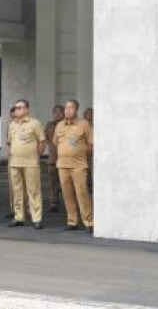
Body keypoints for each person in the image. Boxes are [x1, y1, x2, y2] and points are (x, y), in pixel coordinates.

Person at [55, 100, 94, 233]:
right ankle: (72, 221)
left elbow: (91, 143)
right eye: (66, 108)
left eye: (71, 108)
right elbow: (56, 143)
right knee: (67, 194)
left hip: (78, 166)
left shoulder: (84, 124)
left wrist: (81, 152)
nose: (68, 110)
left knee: (82, 193)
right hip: (62, 166)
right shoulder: (59, 125)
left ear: (76, 110)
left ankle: (88, 221)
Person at [7, 99, 46, 229]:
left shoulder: (35, 123)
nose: (17, 110)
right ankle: (19, 217)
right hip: (15, 162)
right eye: (16, 107)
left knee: (33, 190)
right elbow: (10, 142)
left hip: (30, 162)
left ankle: (36, 218)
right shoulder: (12, 125)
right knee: (17, 191)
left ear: (27, 109)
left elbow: (42, 141)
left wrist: (36, 155)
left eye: (20, 107)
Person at [43, 104, 64, 213]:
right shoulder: (49, 125)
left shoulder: (66, 124)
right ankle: (54, 202)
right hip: (53, 158)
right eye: (55, 112)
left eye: (59, 112)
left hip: (65, 158)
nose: (57, 114)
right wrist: (50, 144)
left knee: (66, 182)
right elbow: (44, 137)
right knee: (53, 182)